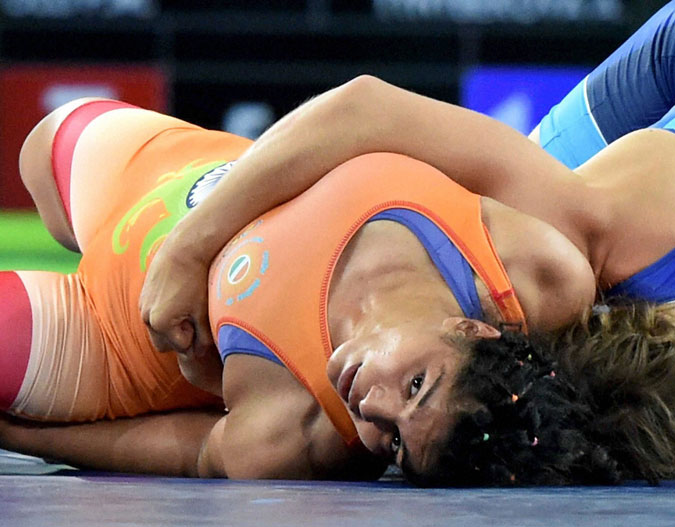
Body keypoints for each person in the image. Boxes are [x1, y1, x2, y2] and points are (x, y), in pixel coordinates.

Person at [137, 0, 675, 488]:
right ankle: (232, 193)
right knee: (502, 245)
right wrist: (190, 247)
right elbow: (366, 107)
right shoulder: (598, 232)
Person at [0, 96, 597, 479]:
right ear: (471, 329)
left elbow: (199, 452)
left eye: (391, 445)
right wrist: (189, 248)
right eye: (416, 385)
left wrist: (25, 437)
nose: (374, 408)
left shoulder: (297, 433)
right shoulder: (532, 271)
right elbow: (363, 108)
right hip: (176, 170)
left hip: (107, 334)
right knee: (43, 146)